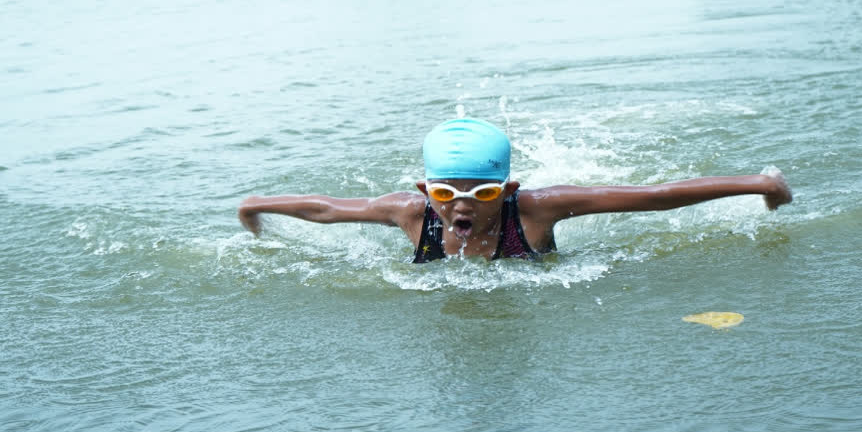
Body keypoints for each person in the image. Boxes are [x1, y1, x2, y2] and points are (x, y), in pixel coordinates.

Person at [238, 118, 793, 263]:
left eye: (480, 194)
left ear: (507, 189)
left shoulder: (534, 209)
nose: (459, 207)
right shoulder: (409, 214)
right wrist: (254, 206)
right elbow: (324, 208)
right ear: (422, 189)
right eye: (445, 194)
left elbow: (652, 196)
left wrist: (760, 185)